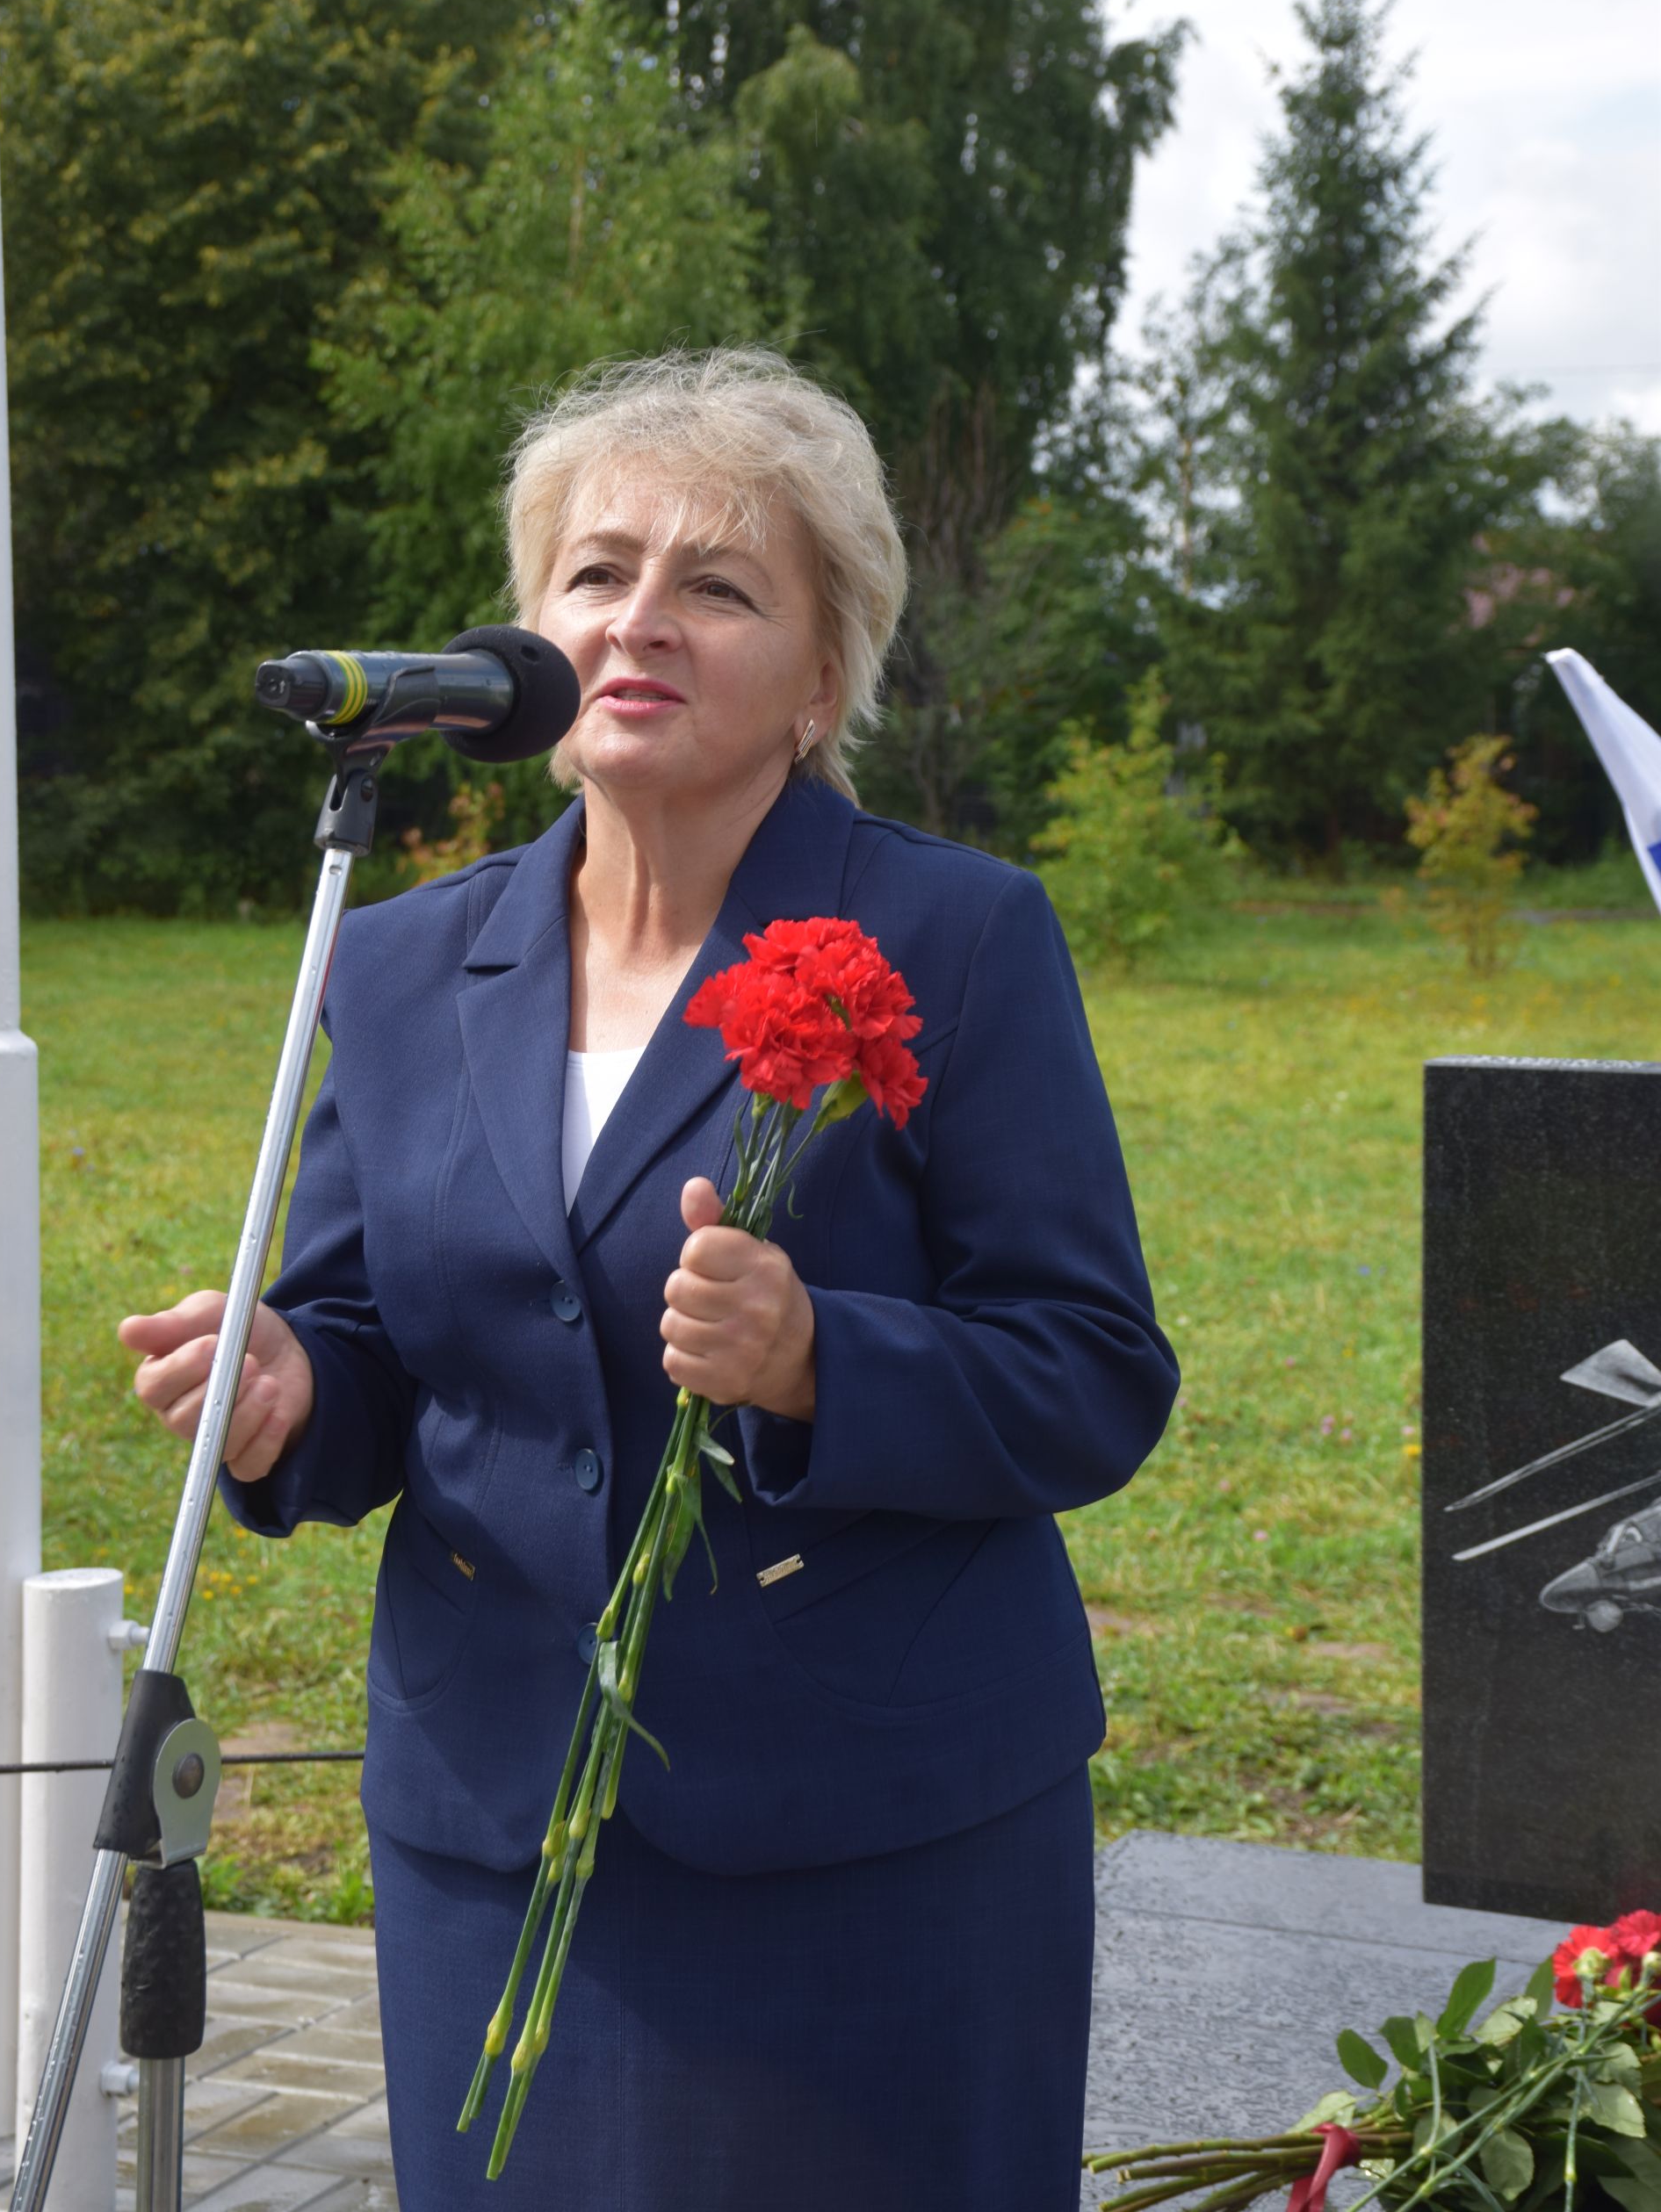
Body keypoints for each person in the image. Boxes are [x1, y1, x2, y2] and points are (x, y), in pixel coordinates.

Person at [120, 347, 1179, 2212]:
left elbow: (1094, 1370)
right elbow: (379, 1347)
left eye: (718, 583)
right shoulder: (399, 964)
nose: (643, 622)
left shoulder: (956, 933)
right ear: (530, 639)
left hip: (873, 1846)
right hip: (499, 1834)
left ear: (825, 674)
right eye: (596, 575)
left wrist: (815, 1364)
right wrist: (298, 1390)